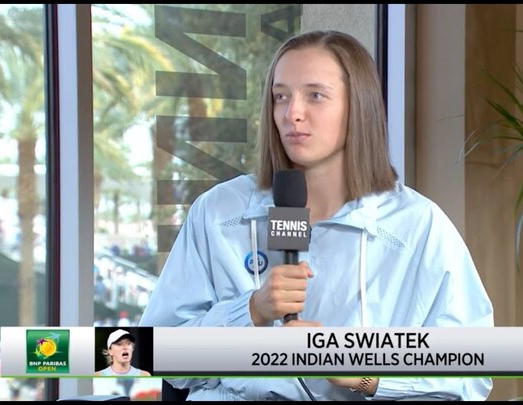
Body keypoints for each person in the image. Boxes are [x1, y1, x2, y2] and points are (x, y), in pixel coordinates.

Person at [139, 29, 494, 401]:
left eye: (315, 95)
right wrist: (250, 311)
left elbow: (471, 372)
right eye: (281, 96)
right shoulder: (217, 212)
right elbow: (155, 353)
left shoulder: (418, 226)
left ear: (358, 107)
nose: (292, 112)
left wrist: (360, 370)